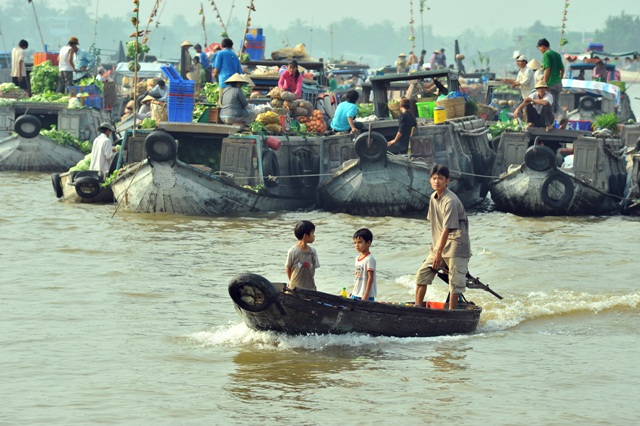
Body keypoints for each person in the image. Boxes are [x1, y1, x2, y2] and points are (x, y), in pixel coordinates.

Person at [415, 164, 471, 310]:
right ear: (430, 180)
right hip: (440, 245)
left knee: (455, 282)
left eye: (440, 178)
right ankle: (417, 307)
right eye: (434, 178)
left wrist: (439, 253)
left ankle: (452, 312)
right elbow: (435, 225)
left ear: (447, 181)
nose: (437, 181)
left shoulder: (450, 200)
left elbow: (447, 228)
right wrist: (435, 250)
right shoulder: (433, 198)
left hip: (456, 245)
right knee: (422, 275)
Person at [285, 220, 320, 291]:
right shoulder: (293, 251)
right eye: (312, 233)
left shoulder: (313, 252)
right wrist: (292, 282)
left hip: (310, 288)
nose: (314, 236)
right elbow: (288, 268)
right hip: (295, 288)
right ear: (305, 236)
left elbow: (312, 271)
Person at [536, 38, 564, 118]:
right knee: (555, 104)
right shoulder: (557, 54)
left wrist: (544, 82)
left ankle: (550, 123)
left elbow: (547, 69)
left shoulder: (546, 54)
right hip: (558, 83)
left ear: (543, 47)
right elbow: (562, 69)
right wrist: (559, 79)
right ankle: (561, 118)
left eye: (540, 49)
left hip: (550, 83)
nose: (540, 51)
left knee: (549, 104)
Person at [350, 228, 377, 302]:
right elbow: (357, 277)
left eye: (359, 242)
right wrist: (354, 290)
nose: (357, 245)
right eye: (355, 243)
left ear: (368, 243)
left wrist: (366, 294)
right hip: (356, 293)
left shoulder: (369, 259)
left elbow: (370, 278)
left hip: (365, 295)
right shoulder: (357, 258)